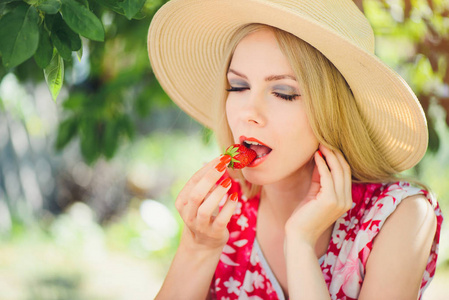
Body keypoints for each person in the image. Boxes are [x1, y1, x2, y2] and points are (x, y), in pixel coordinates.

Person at [147, 0, 443, 299]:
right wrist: (198, 248)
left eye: (284, 92)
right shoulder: (222, 214)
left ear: (333, 110)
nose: (249, 112)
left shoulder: (398, 216)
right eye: (237, 87)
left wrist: (300, 243)